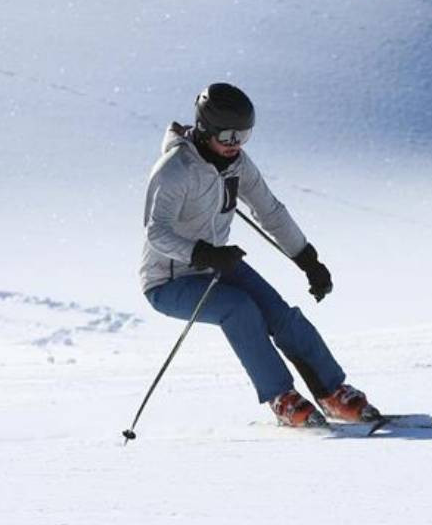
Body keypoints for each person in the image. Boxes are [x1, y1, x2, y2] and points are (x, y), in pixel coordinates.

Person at [138, 82, 378, 427]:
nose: (235, 145)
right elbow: (155, 232)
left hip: (217, 264)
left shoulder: (236, 164)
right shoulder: (175, 170)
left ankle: (332, 392)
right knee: (239, 309)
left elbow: (270, 211)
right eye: (228, 137)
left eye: (243, 137)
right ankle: (282, 397)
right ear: (205, 130)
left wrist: (308, 260)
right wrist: (203, 254)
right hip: (169, 281)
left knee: (280, 314)